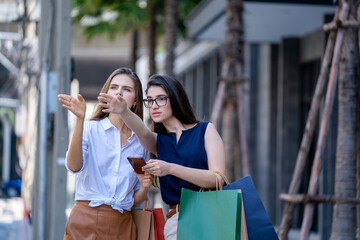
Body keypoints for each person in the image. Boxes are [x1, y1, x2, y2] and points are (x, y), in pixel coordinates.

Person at [98, 74, 226, 240]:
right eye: (150, 101)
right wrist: (123, 111)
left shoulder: (205, 130)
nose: (154, 106)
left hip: (212, 217)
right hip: (177, 221)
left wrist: (170, 168)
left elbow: (218, 179)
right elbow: (141, 131)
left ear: (175, 98)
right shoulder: (159, 141)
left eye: (160, 99)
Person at [58, 67, 152, 240]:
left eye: (127, 89)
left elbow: (135, 200)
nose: (118, 93)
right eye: (114, 87)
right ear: (106, 94)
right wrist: (80, 120)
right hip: (85, 220)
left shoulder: (141, 143)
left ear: (135, 101)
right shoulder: (90, 129)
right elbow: (73, 166)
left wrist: (146, 185)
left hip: (122, 224)